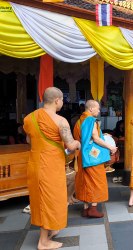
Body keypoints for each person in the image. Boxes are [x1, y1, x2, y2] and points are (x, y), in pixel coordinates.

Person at [23, 87, 81, 250]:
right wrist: (77, 143)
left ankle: (51, 228)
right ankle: (43, 241)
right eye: (62, 100)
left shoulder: (30, 118)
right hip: (51, 165)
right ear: (57, 100)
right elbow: (70, 145)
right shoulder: (60, 121)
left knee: (42, 198)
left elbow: (29, 140)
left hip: (35, 164)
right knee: (49, 199)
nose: (62, 103)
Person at [73, 100, 117, 218]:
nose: (99, 111)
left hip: (82, 155)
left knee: (85, 181)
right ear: (91, 109)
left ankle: (86, 209)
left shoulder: (79, 121)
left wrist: (103, 135)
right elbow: (95, 139)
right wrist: (110, 147)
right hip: (93, 156)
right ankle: (93, 208)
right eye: (98, 109)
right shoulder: (92, 120)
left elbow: (85, 137)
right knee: (97, 180)